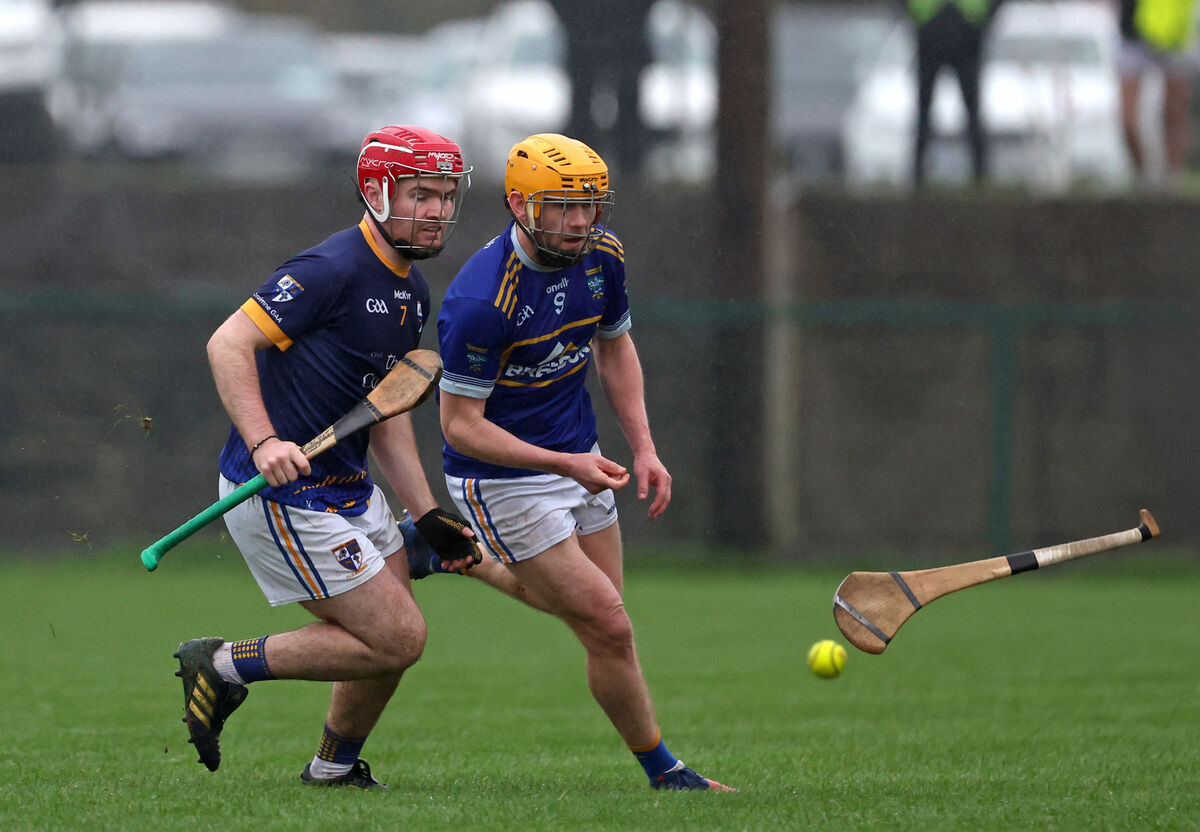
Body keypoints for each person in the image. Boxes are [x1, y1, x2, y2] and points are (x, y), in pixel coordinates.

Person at [172, 125, 482, 789]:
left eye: (445, 195)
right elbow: (227, 344)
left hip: (349, 486)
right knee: (399, 637)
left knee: (388, 645)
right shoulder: (330, 270)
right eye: (421, 194)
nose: (436, 210)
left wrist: (425, 514)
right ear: (376, 191)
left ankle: (334, 766)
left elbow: (384, 410)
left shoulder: (409, 289)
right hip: (281, 491)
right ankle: (222, 665)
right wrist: (264, 441)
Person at [431, 132, 736, 792]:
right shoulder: (483, 302)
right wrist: (565, 465)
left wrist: (645, 448)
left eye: (590, 205)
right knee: (609, 624)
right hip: (502, 478)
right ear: (520, 205)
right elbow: (461, 429)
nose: (579, 222)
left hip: (578, 456)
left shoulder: (602, 255)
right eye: (560, 207)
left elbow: (615, 349)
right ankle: (667, 774)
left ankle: (453, 554)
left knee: (601, 621)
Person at [905, 0, 1001, 184]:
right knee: (924, 110)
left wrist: (980, 22)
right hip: (930, 37)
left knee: (972, 110)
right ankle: (917, 177)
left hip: (966, 38)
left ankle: (980, 176)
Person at [1117, 0, 1197, 188]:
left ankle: (1173, 178)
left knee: (1174, 113)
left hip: (1174, 36)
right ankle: (1143, 179)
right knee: (1128, 120)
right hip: (1132, 35)